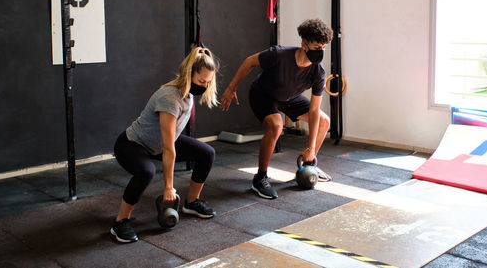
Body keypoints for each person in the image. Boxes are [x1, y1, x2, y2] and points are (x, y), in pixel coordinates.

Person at [111, 47, 219, 243]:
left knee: (207, 153)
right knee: (146, 172)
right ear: (188, 74)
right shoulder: (170, 97)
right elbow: (169, 148)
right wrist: (169, 187)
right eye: (201, 81)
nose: (204, 86)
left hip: (157, 144)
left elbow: (169, 141)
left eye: (208, 82)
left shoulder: (188, 94)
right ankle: (120, 221)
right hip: (133, 144)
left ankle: (192, 202)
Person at [220, 18, 333, 200]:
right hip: (263, 95)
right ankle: (260, 178)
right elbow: (249, 61)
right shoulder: (279, 55)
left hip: (288, 97)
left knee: (324, 121)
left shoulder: (318, 73)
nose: (321, 52)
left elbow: (314, 111)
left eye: (324, 48)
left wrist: (311, 148)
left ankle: (309, 163)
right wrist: (231, 88)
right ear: (304, 44)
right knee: (276, 125)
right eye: (317, 47)